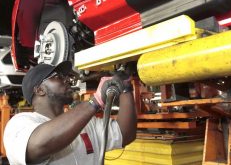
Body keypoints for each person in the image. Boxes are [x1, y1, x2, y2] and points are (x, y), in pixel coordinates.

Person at [3, 61, 137, 165]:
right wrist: (95, 101)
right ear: (39, 90)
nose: (67, 80)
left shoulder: (85, 122)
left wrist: (125, 87)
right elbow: (38, 145)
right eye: (57, 77)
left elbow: (125, 134)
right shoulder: (19, 124)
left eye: (66, 76)